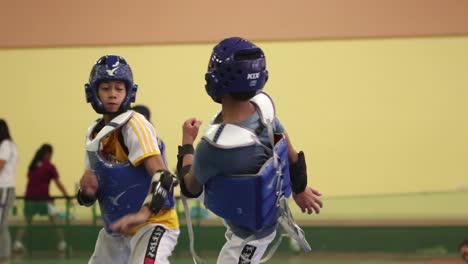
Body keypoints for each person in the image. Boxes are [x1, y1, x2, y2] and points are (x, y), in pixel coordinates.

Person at [176, 37, 323, 264]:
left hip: (249, 235)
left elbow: (189, 188)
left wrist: (187, 143)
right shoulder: (264, 112)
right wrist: (300, 189)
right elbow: (290, 153)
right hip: (269, 218)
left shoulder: (213, 147)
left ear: (215, 79)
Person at [77, 54, 179, 264]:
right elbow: (88, 196)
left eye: (118, 88)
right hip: (117, 228)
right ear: (93, 92)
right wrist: (86, 192)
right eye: (105, 88)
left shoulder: (135, 126)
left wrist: (143, 214)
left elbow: (164, 176)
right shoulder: (94, 134)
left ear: (128, 92)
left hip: (153, 223)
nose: (112, 95)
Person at [13, 143, 70, 253]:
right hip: (43, 200)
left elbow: (29, 180)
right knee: (56, 219)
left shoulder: (32, 165)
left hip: (29, 199)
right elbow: (58, 183)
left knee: (26, 221)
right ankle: (62, 243)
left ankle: (17, 243)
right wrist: (66, 196)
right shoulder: (49, 166)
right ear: (48, 154)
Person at [0, 119, 18, 264]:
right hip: (3, 188)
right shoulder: (8, 145)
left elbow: (1, 164)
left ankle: (5, 258)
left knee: (2, 224)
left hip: (4, 188)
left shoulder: (6, 145)